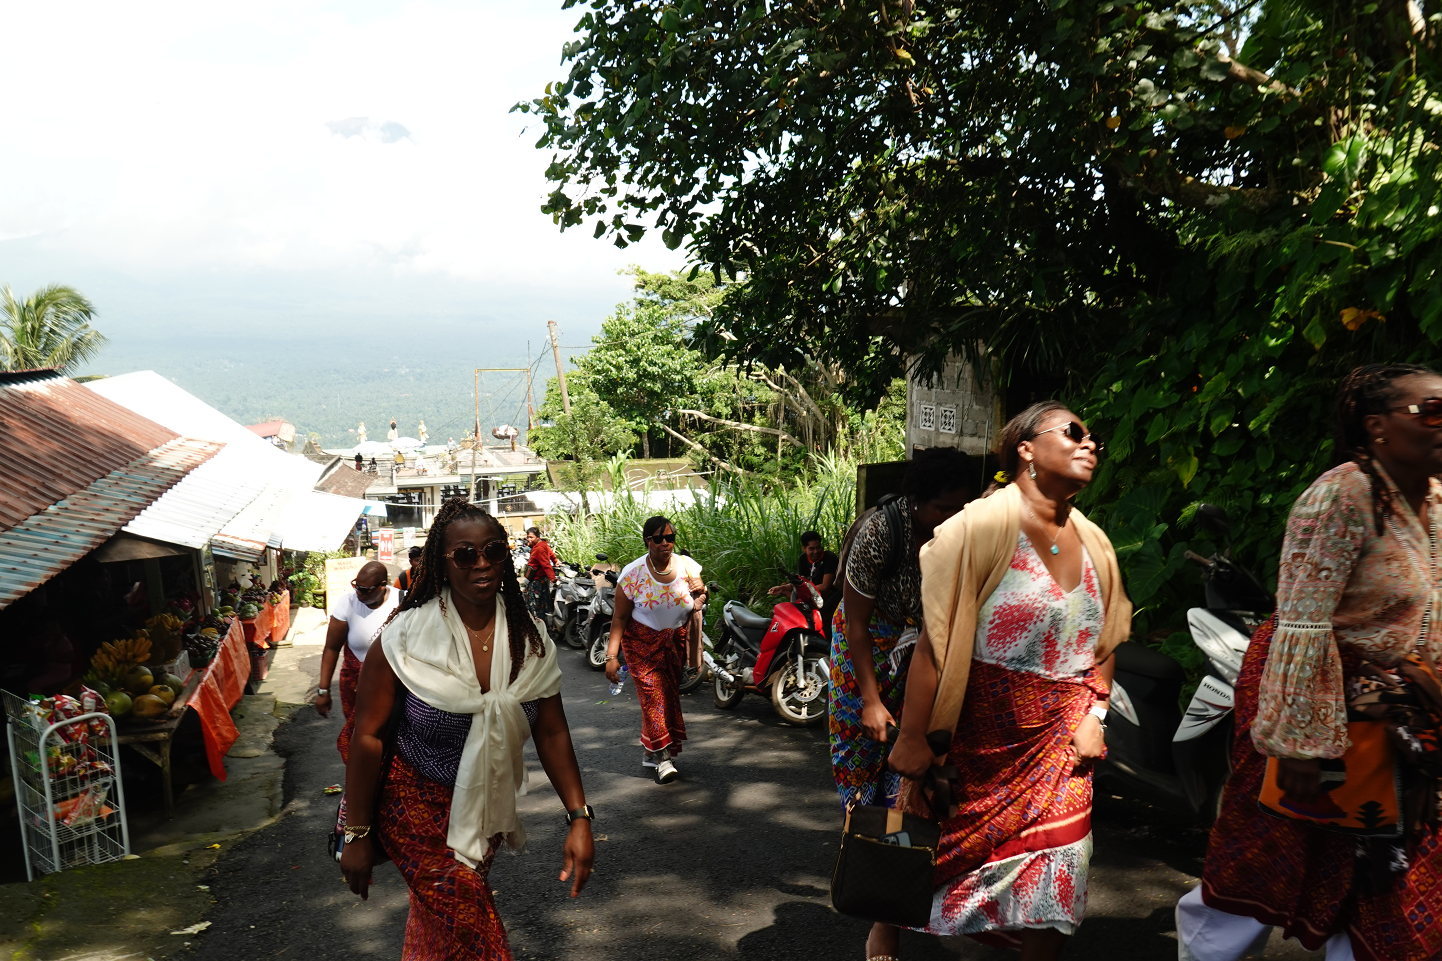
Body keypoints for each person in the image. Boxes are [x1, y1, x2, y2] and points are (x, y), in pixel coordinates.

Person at [1176, 363, 1442, 961]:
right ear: (1377, 427)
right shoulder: (1340, 496)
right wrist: (1297, 742)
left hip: (1401, 720)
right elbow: (1302, 620)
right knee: (1265, 863)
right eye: (1431, 410)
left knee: (1385, 881)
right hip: (1311, 706)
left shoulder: (1436, 497)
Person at [886, 402, 1130, 961]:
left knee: (1058, 872)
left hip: (1063, 741)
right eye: (1073, 433)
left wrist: (1096, 714)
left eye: (1093, 436)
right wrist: (913, 735)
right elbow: (933, 642)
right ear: (1026, 448)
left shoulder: (1095, 541)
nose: (1089, 443)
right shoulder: (977, 527)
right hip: (978, 734)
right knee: (934, 850)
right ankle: (887, 921)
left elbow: (1105, 640)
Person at [340, 498, 594, 957]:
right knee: (470, 923)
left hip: (484, 804)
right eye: (464, 554)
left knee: (437, 925)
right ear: (442, 561)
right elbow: (368, 736)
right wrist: (356, 833)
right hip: (410, 803)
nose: (482, 565)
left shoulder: (530, 640)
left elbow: (552, 732)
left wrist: (579, 818)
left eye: (494, 552)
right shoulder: (404, 639)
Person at [829, 446, 974, 812]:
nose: (951, 518)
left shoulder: (963, 536)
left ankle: (899, 839)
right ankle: (861, 833)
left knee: (912, 750)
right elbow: (856, 623)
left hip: (922, 647)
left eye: (960, 509)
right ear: (915, 501)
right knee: (861, 747)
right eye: (942, 508)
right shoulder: (880, 531)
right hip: (865, 644)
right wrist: (871, 700)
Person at [603, 515, 707, 784]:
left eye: (670, 538)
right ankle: (663, 759)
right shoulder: (633, 573)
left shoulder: (687, 567)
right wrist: (612, 656)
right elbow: (619, 619)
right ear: (647, 541)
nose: (665, 543)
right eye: (658, 539)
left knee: (668, 697)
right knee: (653, 698)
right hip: (640, 644)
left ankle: (651, 751)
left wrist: (702, 590)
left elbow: (698, 600)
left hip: (673, 643)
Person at [314, 561, 401, 760]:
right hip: (355, 688)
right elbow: (331, 648)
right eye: (356, 587)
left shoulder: (402, 601)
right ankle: (360, 784)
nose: (358, 594)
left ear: (382, 586)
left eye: (365, 590)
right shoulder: (348, 603)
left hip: (394, 687)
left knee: (392, 741)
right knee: (359, 740)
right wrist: (323, 690)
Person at [768, 530, 841, 626]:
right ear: (804, 549)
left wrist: (802, 590)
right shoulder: (803, 559)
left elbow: (825, 587)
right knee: (784, 596)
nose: (816, 551)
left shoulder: (829, 558)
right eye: (811, 549)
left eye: (818, 548)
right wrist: (784, 588)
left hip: (827, 598)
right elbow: (800, 582)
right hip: (811, 595)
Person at [524, 526, 559, 618]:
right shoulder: (542, 545)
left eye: (531, 537)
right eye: (528, 537)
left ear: (537, 537)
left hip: (537, 580)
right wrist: (556, 561)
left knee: (536, 603)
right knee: (543, 601)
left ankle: (539, 622)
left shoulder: (539, 548)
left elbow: (546, 565)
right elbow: (551, 553)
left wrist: (553, 579)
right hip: (541, 579)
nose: (529, 539)